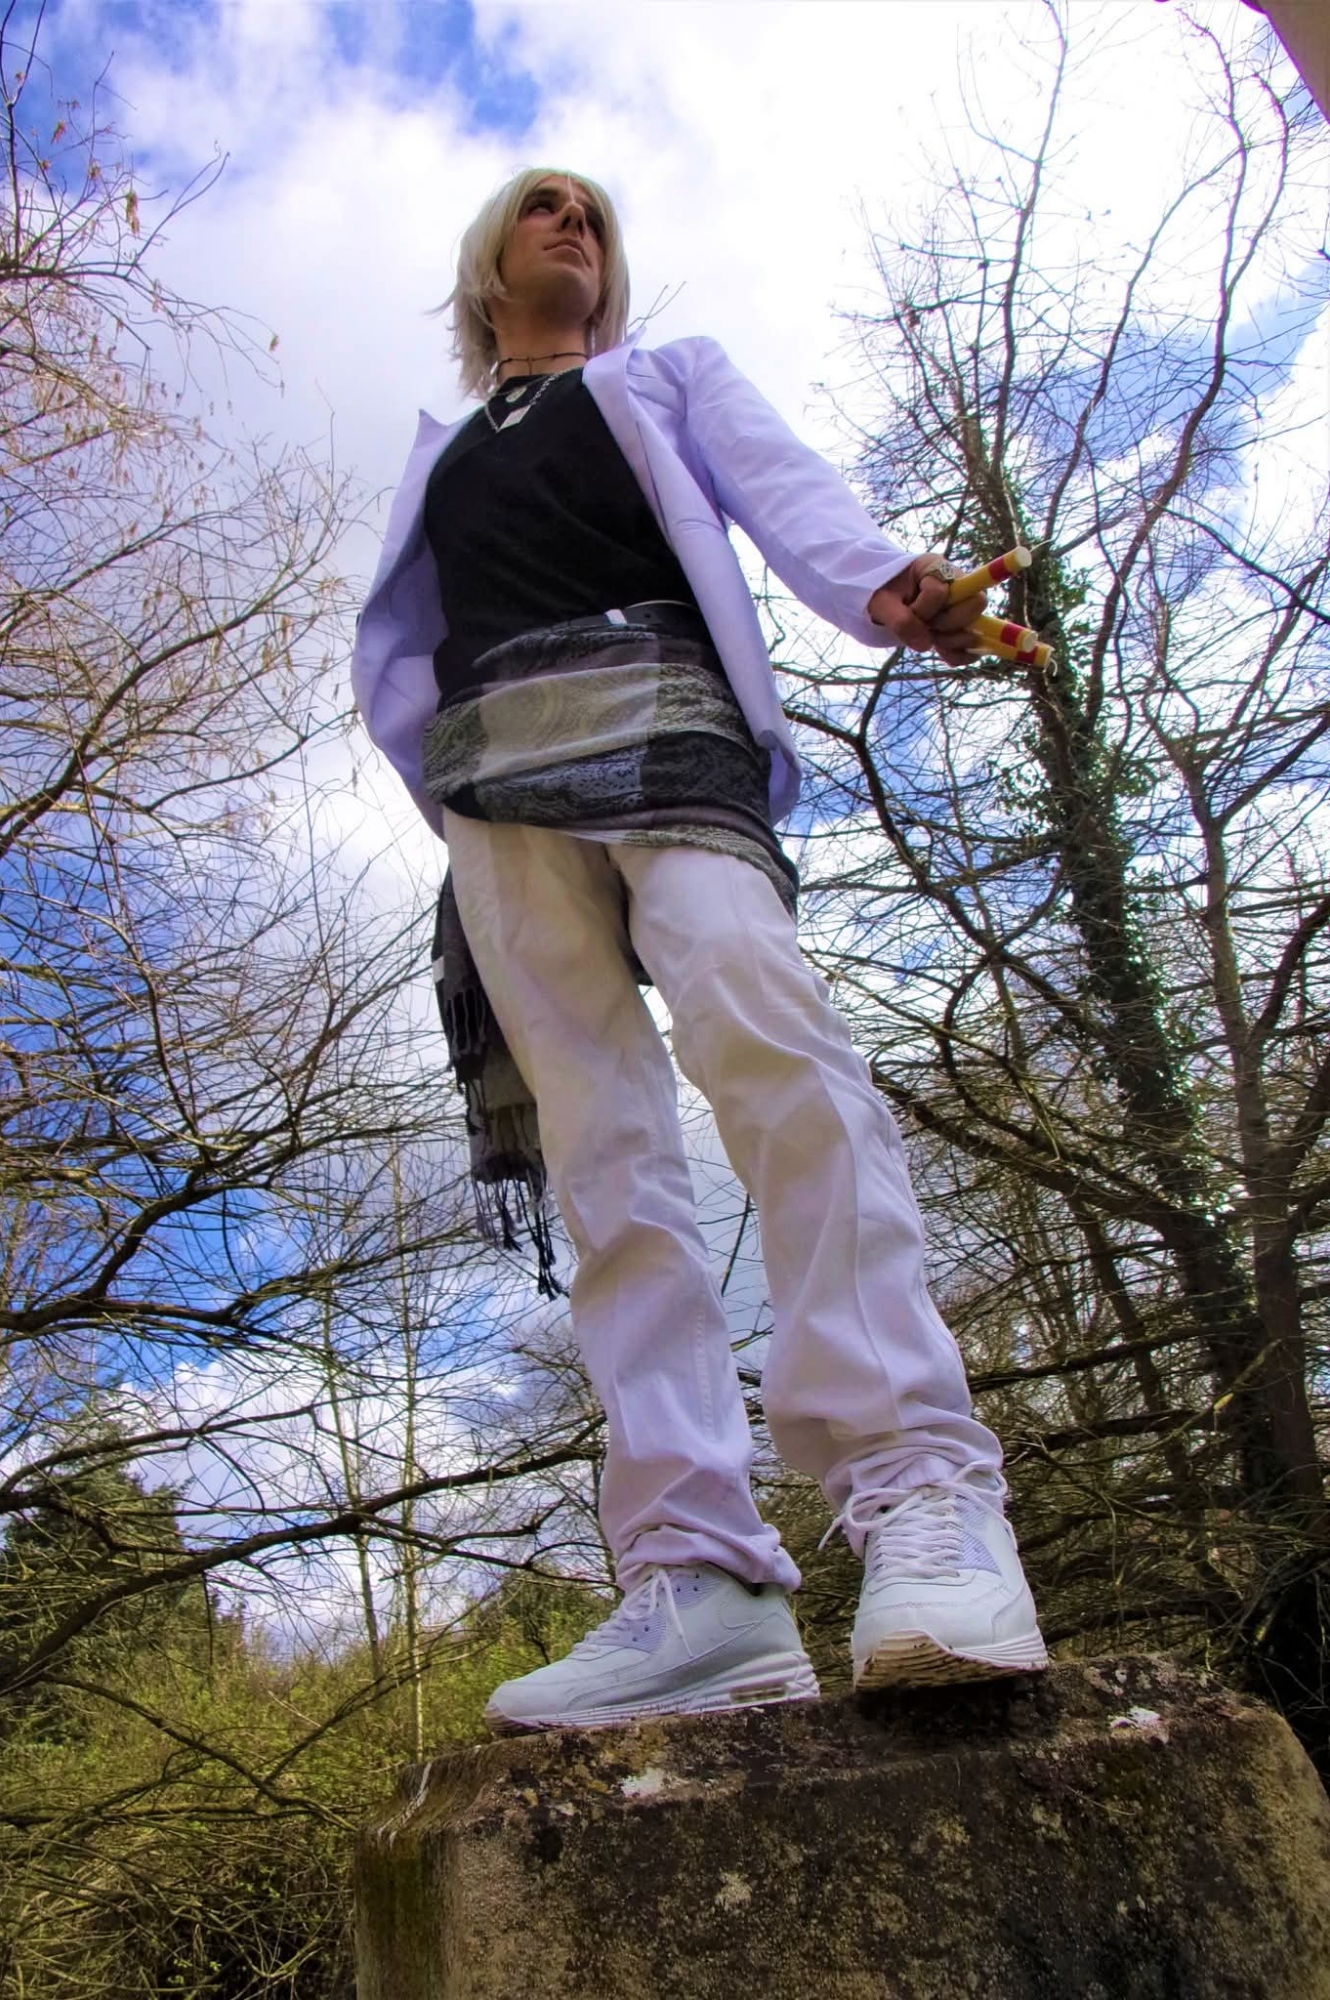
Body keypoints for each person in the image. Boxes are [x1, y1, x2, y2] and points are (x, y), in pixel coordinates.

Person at [351, 167, 1046, 1733]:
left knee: (766, 1033)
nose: (573, 223)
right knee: (602, 1151)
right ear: (486, 267)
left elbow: (789, 492)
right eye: (543, 206)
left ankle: (924, 1492)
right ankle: (698, 1578)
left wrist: (895, 588)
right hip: (494, 785)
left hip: (666, 719)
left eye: (594, 216)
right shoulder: (443, 450)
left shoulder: (667, 379)